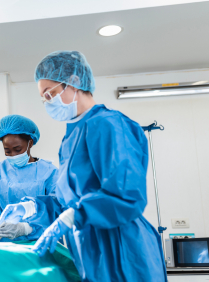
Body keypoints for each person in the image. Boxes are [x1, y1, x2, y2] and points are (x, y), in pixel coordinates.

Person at [31, 51, 167, 281]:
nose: (47, 102)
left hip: (123, 250)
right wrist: (29, 211)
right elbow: (67, 200)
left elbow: (125, 194)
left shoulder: (109, 124)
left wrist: (75, 215)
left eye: (50, 93)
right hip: (91, 253)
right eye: (43, 97)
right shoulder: (69, 141)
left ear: (73, 82)